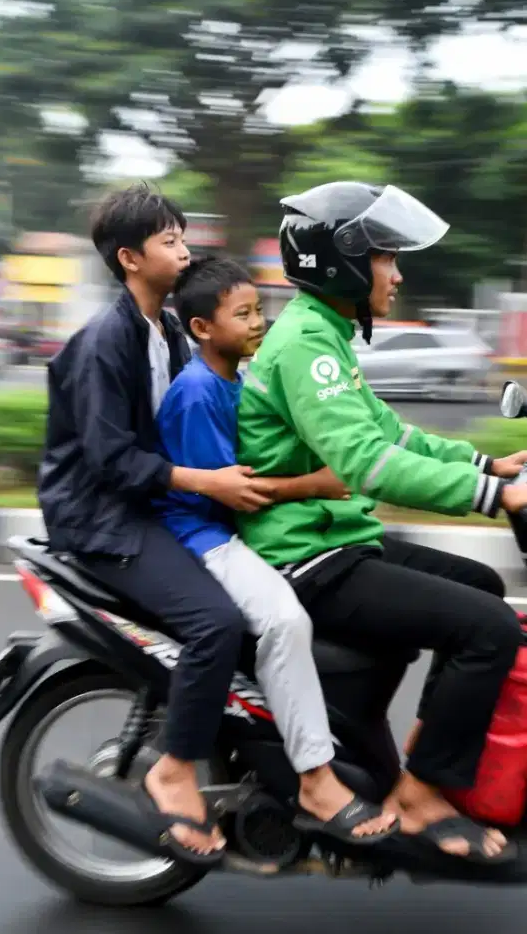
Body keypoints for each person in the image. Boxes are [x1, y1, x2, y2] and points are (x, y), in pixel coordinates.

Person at [236, 181, 527, 865]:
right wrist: (490, 496)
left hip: (335, 538)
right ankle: (418, 801)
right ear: (345, 261)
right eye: (386, 257)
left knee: (481, 588)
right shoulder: (307, 345)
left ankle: (422, 763)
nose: (398, 272)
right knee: (489, 628)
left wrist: (489, 463)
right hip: (306, 557)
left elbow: (394, 434)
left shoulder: (324, 334)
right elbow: (368, 463)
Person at [38, 184, 277, 867]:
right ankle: (174, 769)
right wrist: (209, 483)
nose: (185, 249)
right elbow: (112, 461)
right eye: (169, 241)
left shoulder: (170, 331)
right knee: (216, 623)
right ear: (130, 258)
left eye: (183, 236)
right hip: (103, 518)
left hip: (150, 506)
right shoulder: (104, 343)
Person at [151, 254, 397, 845]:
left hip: (231, 530)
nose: (259, 323)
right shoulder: (198, 392)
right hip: (204, 536)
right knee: (285, 620)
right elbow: (233, 491)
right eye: (242, 314)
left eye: (259, 309)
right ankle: (316, 775)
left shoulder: (236, 378)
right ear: (202, 329)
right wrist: (315, 485)